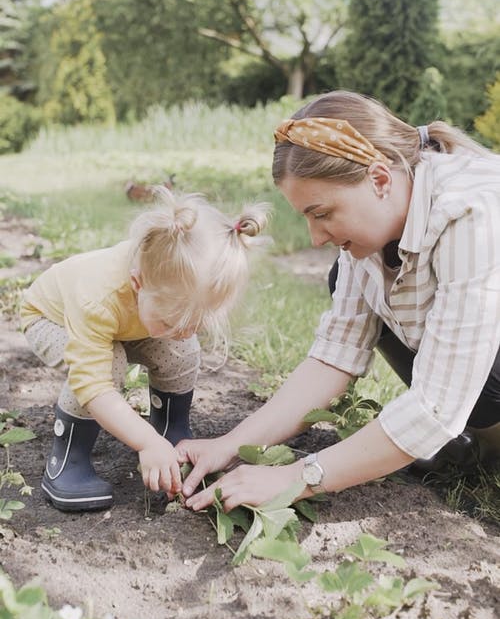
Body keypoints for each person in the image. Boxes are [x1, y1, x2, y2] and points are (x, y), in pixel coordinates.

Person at [177, 90, 500, 513]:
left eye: (322, 213)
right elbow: (335, 356)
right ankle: (481, 448)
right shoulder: (372, 231)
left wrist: (297, 477)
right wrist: (230, 444)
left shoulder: (470, 212)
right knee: (343, 274)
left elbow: (436, 406)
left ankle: (487, 453)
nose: (315, 237)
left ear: (380, 179)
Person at [20, 187, 268, 512]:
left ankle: (171, 430)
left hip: (128, 321)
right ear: (138, 284)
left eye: (196, 322)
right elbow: (92, 385)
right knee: (108, 363)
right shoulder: (97, 298)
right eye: (172, 320)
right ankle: (68, 460)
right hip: (51, 319)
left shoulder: (164, 284)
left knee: (181, 350)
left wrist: (173, 328)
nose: (185, 330)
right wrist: (145, 443)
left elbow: (176, 329)